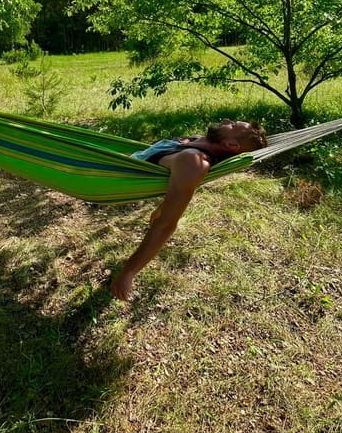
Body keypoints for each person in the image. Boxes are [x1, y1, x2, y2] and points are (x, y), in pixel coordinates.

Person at [110, 119, 268, 301]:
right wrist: (162, 207)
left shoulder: (193, 161)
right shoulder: (197, 141)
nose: (226, 121)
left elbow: (168, 224)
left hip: (103, 176)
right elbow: (174, 188)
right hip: (118, 162)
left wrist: (129, 271)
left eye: (232, 125)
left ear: (231, 144)